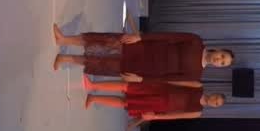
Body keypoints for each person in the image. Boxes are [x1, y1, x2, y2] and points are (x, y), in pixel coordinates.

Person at [52, 25, 234, 79]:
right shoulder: (196, 41)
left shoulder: (196, 74)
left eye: (222, 63)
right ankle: (64, 39)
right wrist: (141, 37)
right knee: (105, 41)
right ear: (219, 49)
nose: (219, 60)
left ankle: (65, 58)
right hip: (146, 46)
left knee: (102, 63)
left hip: (145, 68)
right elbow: (168, 35)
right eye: (222, 56)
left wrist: (141, 80)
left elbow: (167, 80)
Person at [83, 78, 226, 131]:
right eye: (216, 98)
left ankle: (94, 98)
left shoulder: (198, 112)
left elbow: (175, 116)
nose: (214, 101)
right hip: (160, 89)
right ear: (214, 93)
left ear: (214, 107)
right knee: (126, 87)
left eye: (216, 103)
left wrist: (155, 116)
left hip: (160, 106)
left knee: (125, 103)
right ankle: (93, 85)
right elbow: (177, 81)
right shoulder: (199, 86)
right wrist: (155, 80)